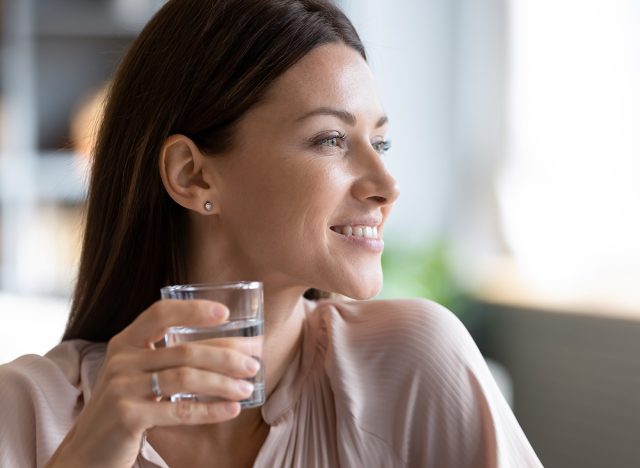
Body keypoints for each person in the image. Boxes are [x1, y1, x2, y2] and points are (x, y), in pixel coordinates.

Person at [0, 0, 544, 467]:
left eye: (379, 143)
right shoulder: (24, 412)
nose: (386, 185)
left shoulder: (414, 365)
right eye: (331, 139)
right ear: (193, 174)